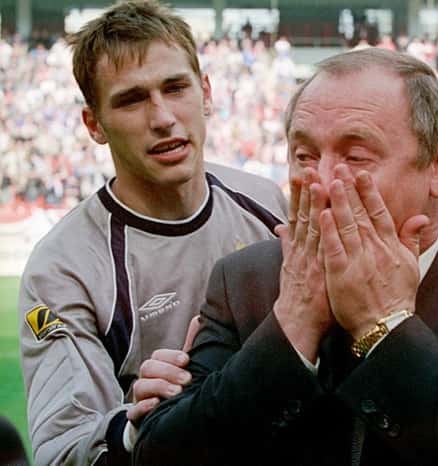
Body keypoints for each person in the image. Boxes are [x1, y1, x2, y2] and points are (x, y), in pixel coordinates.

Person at [134, 48, 438, 465]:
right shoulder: (247, 278)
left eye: (356, 157)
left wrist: (384, 327)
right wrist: (293, 326)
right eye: (304, 156)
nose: (323, 181)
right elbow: (163, 455)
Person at [17, 1, 287, 465]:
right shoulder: (64, 268)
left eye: (175, 88)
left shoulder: (265, 203)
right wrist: (135, 426)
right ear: (94, 125)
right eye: (131, 99)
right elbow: (60, 450)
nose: (162, 117)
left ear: (206, 92)